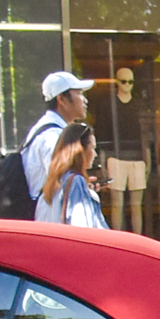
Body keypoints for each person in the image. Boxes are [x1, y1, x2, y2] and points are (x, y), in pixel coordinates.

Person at [25, 71, 93, 222]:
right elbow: (60, 178)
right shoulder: (52, 136)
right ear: (61, 99)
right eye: (80, 94)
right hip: (50, 221)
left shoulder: (48, 129)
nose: (85, 100)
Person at [40, 122, 109, 229]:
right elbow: (81, 228)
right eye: (93, 148)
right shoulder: (76, 182)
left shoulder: (52, 184)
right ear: (80, 150)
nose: (95, 155)